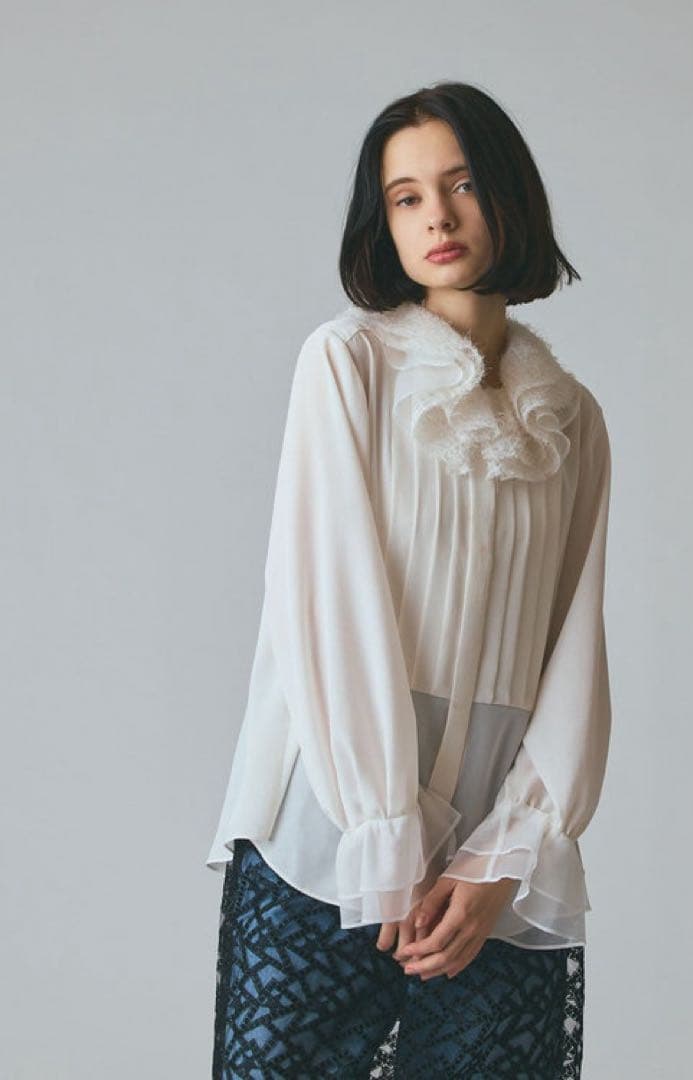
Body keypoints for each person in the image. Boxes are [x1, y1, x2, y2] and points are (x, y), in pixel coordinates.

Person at [206, 80, 613, 1078]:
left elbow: (575, 651)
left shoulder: (572, 419)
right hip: (330, 842)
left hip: (491, 875)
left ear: (508, 194)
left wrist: (510, 852)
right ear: (382, 221)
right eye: (406, 196)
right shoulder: (348, 365)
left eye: (462, 183)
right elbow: (325, 605)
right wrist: (383, 828)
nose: (437, 215)